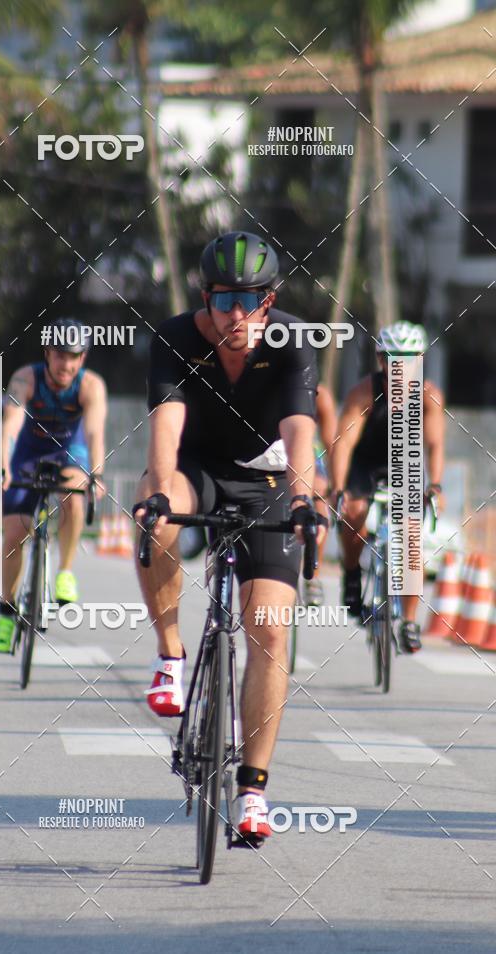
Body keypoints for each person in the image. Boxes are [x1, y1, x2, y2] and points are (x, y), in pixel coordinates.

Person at [133, 231, 326, 842]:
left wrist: (302, 499)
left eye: (249, 301)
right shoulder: (176, 339)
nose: (235, 316)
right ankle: (170, 655)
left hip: (266, 480)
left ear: (269, 302)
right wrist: (160, 490)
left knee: (269, 629)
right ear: (205, 298)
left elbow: (299, 430)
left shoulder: (293, 342)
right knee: (154, 511)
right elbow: (167, 423)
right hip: (195, 472)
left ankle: (252, 789)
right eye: (223, 302)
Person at [0, 317, 107, 653]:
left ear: (82, 358)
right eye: (60, 355)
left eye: (73, 356)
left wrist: (96, 472)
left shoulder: (91, 386)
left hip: (70, 451)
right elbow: (11, 424)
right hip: (28, 451)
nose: (66, 364)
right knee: (14, 533)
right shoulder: (25, 378)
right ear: (47, 354)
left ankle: (65, 571)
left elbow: (97, 432)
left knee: (73, 495)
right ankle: (6, 611)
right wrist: (2, 463)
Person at [330, 320, 445, 653]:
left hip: (404, 465)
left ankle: (409, 621)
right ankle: (352, 576)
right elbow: (343, 442)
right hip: (364, 464)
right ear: (381, 361)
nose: (401, 366)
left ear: (419, 360)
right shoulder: (364, 392)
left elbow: (434, 445)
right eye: (393, 359)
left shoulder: (429, 396)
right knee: (353, 512)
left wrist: (435, 484)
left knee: (410, 541)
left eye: (408, 359)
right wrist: (339, 487)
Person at [305, 383, 338, 607]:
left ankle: (313, 576)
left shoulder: (320, 395)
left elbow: (331, 445)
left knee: (319, 491)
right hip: (270, 449)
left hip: (306, 451)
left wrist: (336, 484)